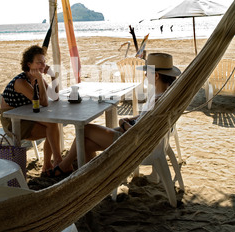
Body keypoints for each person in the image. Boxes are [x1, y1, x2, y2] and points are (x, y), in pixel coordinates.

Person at [50, 52, 181, 177]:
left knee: (85, 129)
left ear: (156, 75)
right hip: (135, 135)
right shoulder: (163, 96)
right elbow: (145, 118)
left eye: (148, 72)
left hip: (134, 141)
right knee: (84, 142)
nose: (146, 74)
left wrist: (123, 124)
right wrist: (131, 118)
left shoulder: (159, 100)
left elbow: (141, 131)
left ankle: (65, 166)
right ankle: (95, 175)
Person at [0, 45, 62, 175]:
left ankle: (49, 164)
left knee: (53, 126)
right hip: (13, 122)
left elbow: (55, 97)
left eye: (44, 61)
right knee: (51, 128)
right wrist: (40, 79)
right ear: (29, 64)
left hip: (28, 115)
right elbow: (44, 103)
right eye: (39, 62)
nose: (43, 65)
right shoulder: (21, 82)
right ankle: (56, 162)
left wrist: (53, 76)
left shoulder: (37, 78)